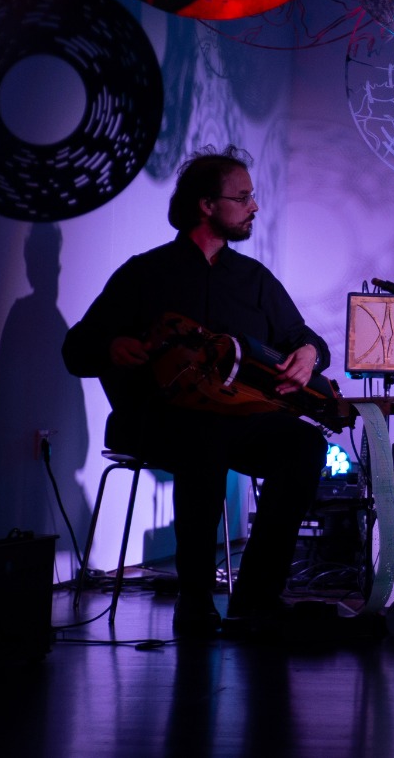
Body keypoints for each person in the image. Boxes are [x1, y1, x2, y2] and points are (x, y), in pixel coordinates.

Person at [63, 146, 329, 638]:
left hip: (237, 420)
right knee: (204, 434)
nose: (254, 207)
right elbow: (77, 349)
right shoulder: (145, 273)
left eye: (252, 196)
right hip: (157, 419)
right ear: (206, 205)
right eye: (242, 197)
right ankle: (195, 597)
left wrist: (310, 353)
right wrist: (113, 345)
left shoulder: (253, 279)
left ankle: (257, 597)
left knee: (304, 443)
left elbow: (306, 340)